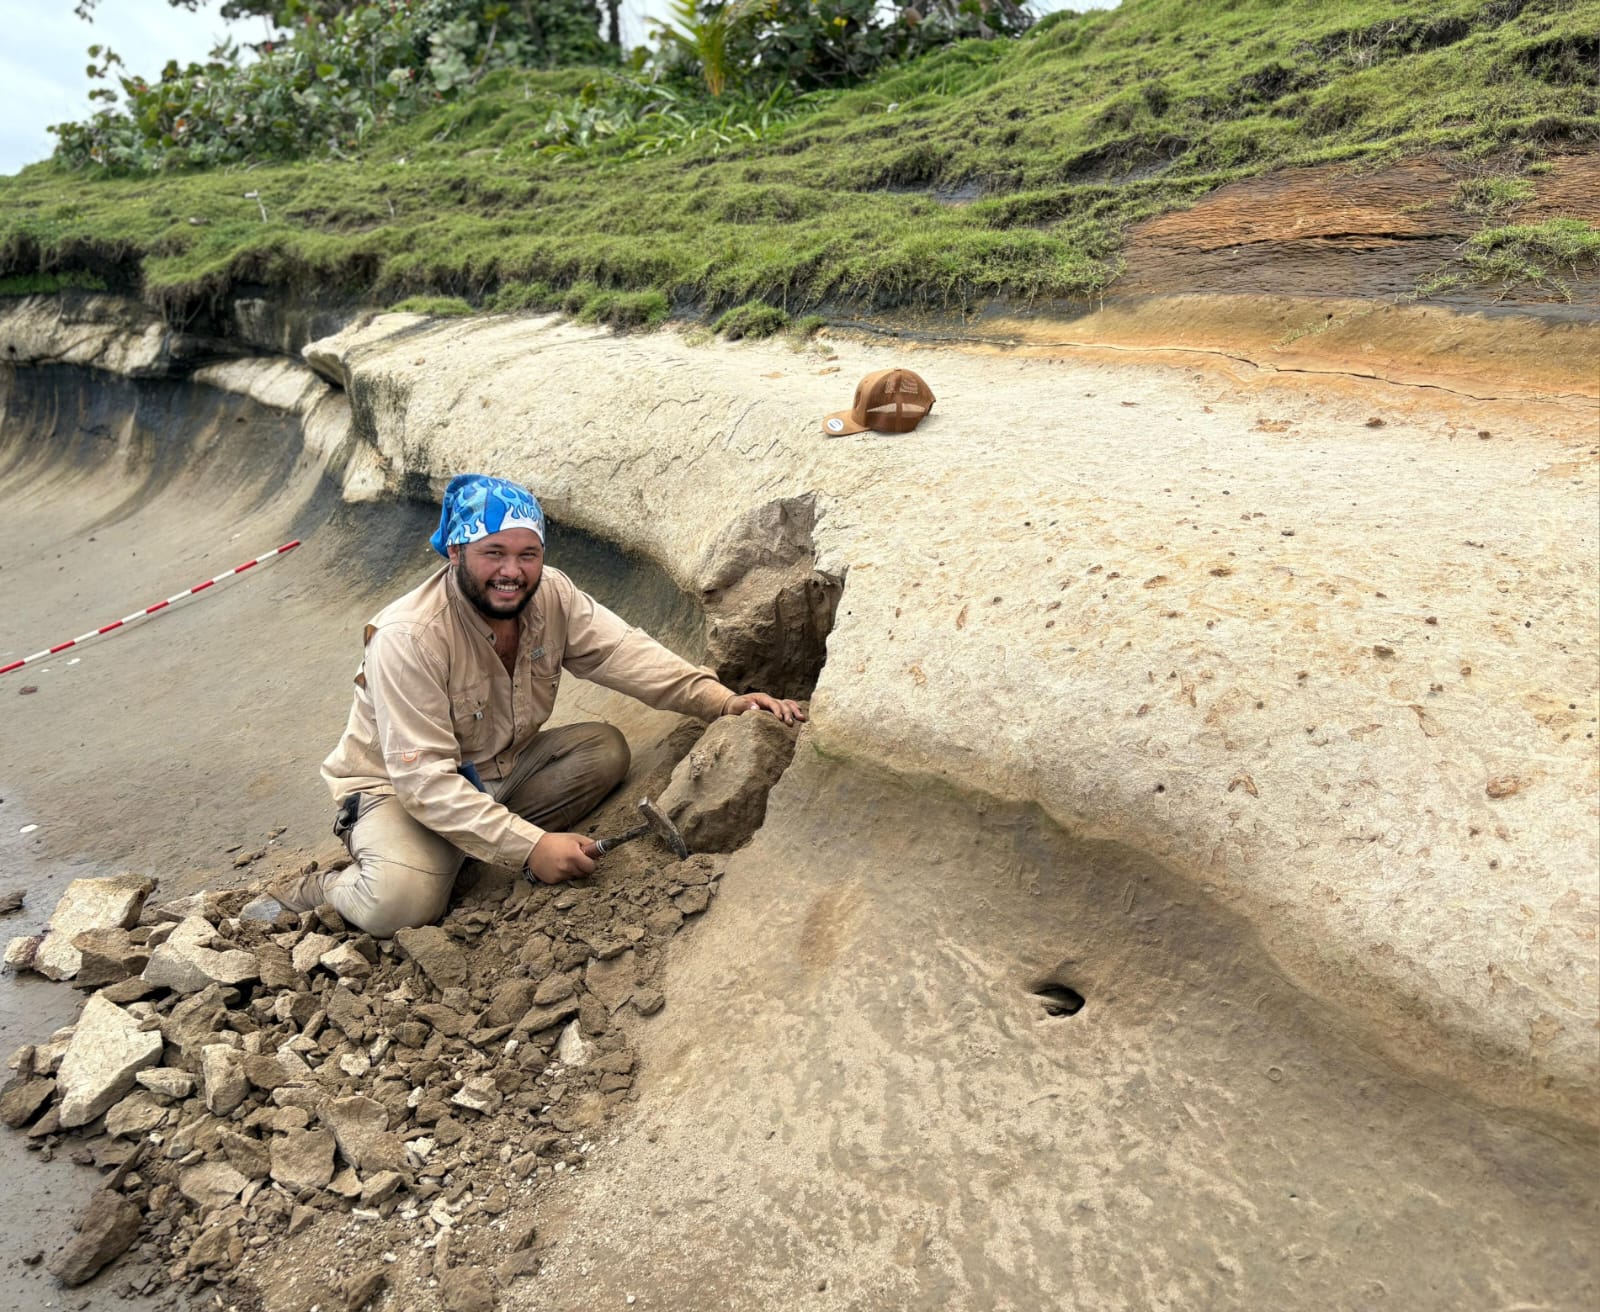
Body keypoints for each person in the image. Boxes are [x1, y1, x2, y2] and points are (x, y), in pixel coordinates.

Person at [274, 473, 805, 937]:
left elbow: (625, 653)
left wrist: (722, 701)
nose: (513, 571)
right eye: (493, 553)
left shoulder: (552, 594)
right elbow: (426, 784)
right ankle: (329, 886)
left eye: (528, 554)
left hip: (496, 771)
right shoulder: (407, 637)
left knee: (602, 750)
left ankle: (461, 854)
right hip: (396, 790)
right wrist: (531, 848)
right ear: (455, 552)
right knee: (399, 904)